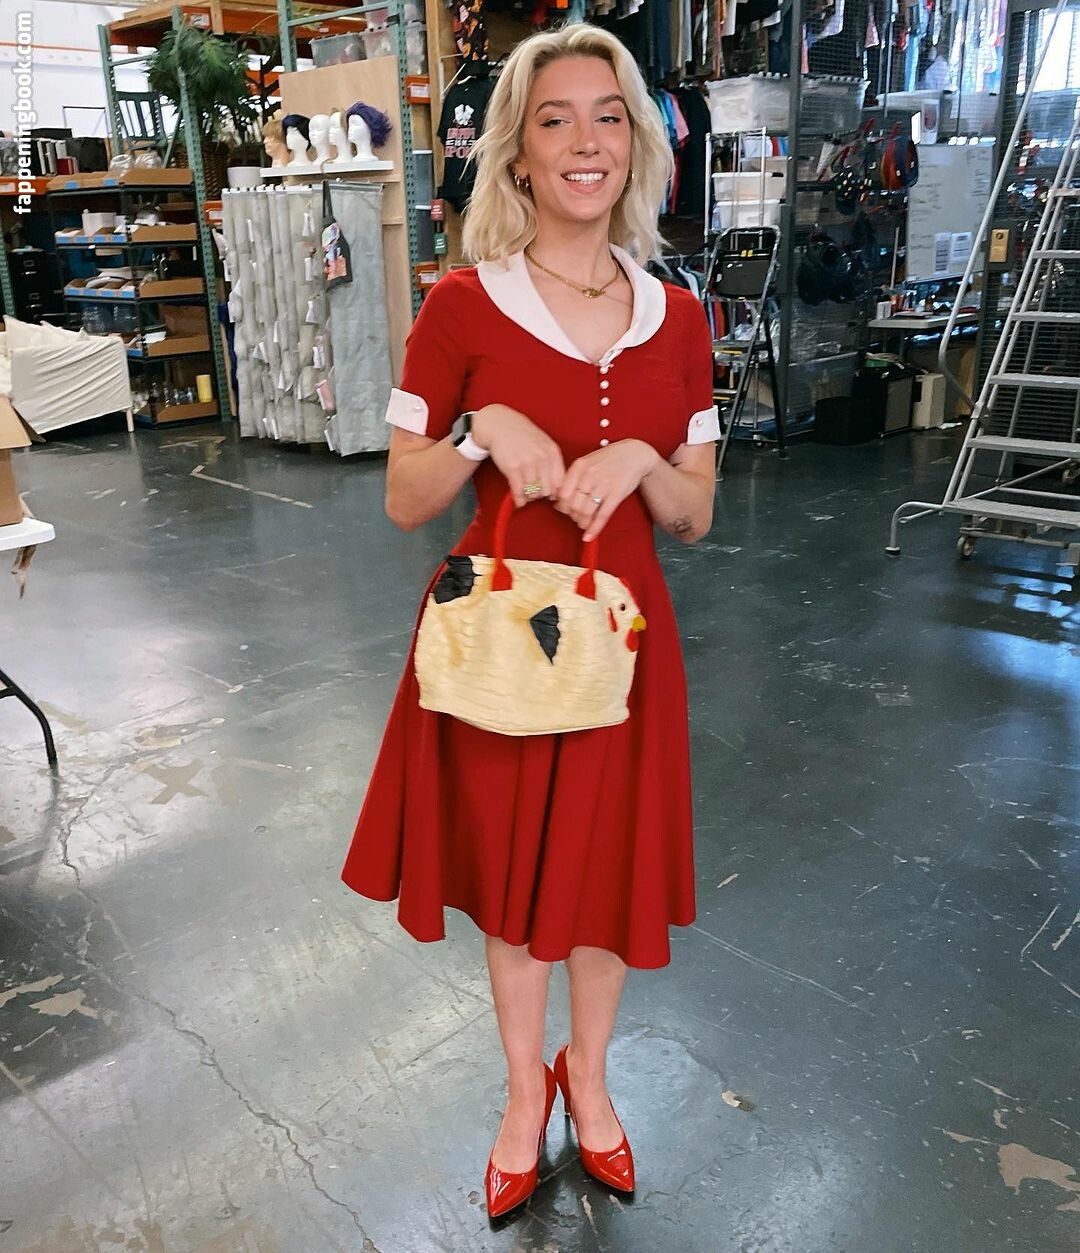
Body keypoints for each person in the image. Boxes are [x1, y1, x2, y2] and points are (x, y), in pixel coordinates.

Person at [341, 23, 718, 1219]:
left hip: (625, 648)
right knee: (513, 886)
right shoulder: (461, 307)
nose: (585, 141)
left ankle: (587, 1083)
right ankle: (522, 1094)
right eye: (555, 119)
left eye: (608, 116)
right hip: (503, 643)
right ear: (516, 153)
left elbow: (697, 512)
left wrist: (643, 457)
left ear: (638, 144)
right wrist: (476, 431)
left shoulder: (681, 318)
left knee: (606, 878)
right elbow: (405, 498)